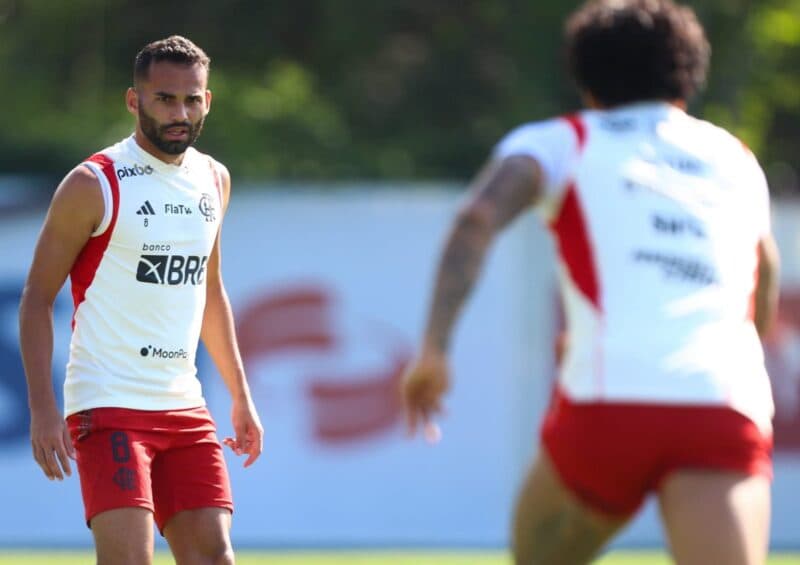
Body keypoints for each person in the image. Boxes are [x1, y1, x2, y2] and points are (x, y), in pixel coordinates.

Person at [401, 1, 779, 563]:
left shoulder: (564, 140)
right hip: (721, 403)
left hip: (609, 406)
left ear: (587, 81)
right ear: (688, 74)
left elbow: (477, 218)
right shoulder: (735, 157)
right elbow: (764, 274)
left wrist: (433, 349)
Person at [19, 35, 263, 565]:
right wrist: (43, 408)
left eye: (192, 99)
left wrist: (240, 395)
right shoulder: (94, 183)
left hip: (185, 406)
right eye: (164, 98)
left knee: (215, 557)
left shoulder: (213, 178)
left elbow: (210, 290)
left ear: (208, 100)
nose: (180, 112)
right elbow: (37, 298)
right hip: (109, 405)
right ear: (134, 101)